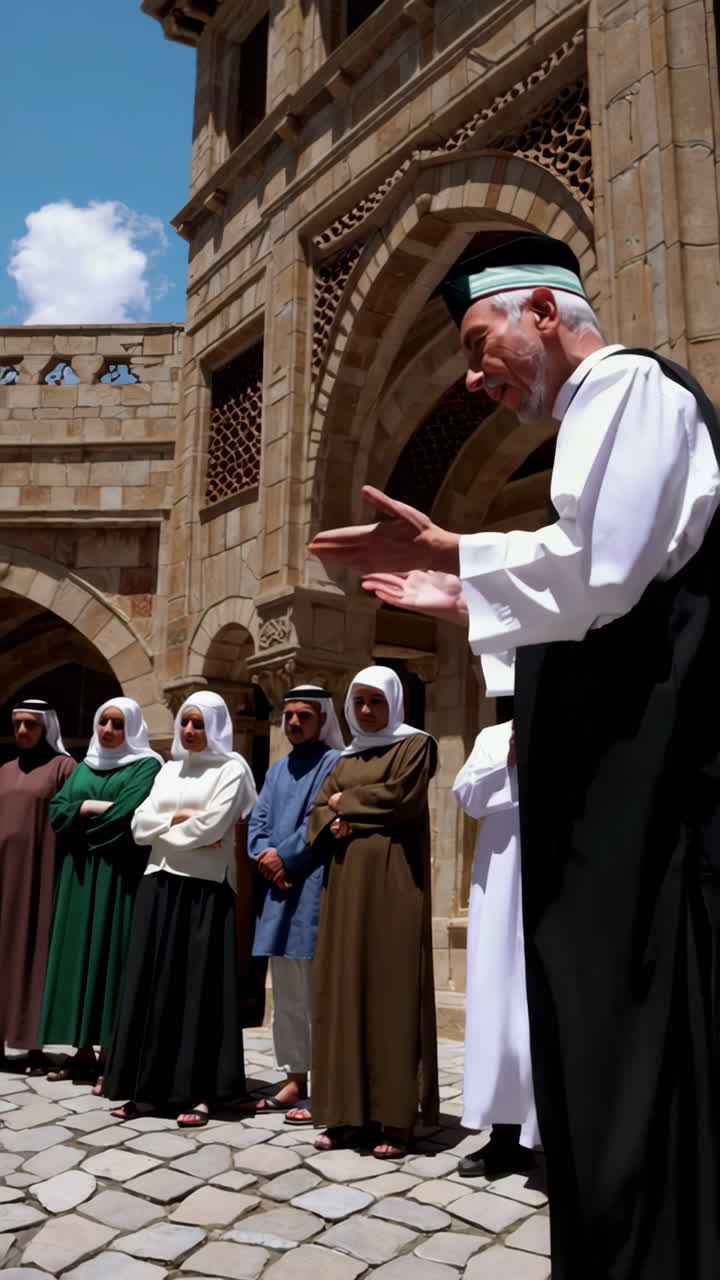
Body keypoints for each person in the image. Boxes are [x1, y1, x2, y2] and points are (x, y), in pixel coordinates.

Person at [308, 232, 720, 1279]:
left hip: (651, 807)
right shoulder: (599, 408)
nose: (473, 374)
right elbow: (600, 585)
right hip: (625, 808)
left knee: (645, 1054)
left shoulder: (624, 385)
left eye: (481, 341)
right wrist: (469, 594)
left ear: (543, 309)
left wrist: (458, 551)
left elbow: (601, 563)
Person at [103, 691, 257, 1127]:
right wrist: (177, 823)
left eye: (199, 724)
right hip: (158, 883)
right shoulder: (167, 770)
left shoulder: (232, 769)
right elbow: (138, 826)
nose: (190, 731)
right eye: (185, 723)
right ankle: (148, 1090)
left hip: (205, 890)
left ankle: (201, 1093)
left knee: (199, 990)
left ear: (215, 727)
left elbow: (215, 824)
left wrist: (167, 826)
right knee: (152, 987)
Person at [306, 665, 438, 1158]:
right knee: (344, 993)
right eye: (358, 702)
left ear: (394, 703)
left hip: (393, 883)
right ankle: (346, 1114)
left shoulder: (415, 745)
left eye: (375, 702)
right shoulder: (344, 756)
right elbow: (318, 812)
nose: (366, 711)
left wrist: (345, 805)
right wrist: (336, 812)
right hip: (343, 890)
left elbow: (401, 798)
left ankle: (395, 1120)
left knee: (391, 992)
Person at [38, 698, 162, 1091]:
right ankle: (82, 1052)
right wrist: (90, 806)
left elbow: (128, 817)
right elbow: (57, 811)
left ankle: (113, 1055)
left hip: (119, 876)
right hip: (79, 877)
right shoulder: (85, 765)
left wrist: (81, 816)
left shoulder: (147, 766)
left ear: (133, 729)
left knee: (112, 956)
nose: (108, 730)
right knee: (78, 957)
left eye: (118, 724)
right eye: (103, 722)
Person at [247, 684, 344, 1116]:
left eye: (304, 715)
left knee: (317, 991)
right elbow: (259, 821)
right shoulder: (277, 768)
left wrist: (282, 858)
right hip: (279, 892)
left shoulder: (335, 763)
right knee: (286, 992)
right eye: (288, 715)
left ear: (322, 718)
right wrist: (265, 856)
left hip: (312, 885)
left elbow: (321, 819)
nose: (294, 722)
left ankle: (327, 1083)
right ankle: (293, 1079)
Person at [452, 712, 538, 1179]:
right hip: (503, 887)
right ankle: (506, 1137)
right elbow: (466, 796)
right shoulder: (490, 735)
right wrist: (507, 758)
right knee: (503, 1009)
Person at [0, 699, 76, 1075]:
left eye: (30, 725)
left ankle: (33, 1046)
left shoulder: (64, 768)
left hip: (44, 876)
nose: (23, 732)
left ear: (46, 727)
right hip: (4, 880)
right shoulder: (3, 770)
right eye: (17, 725)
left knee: (35, 955)